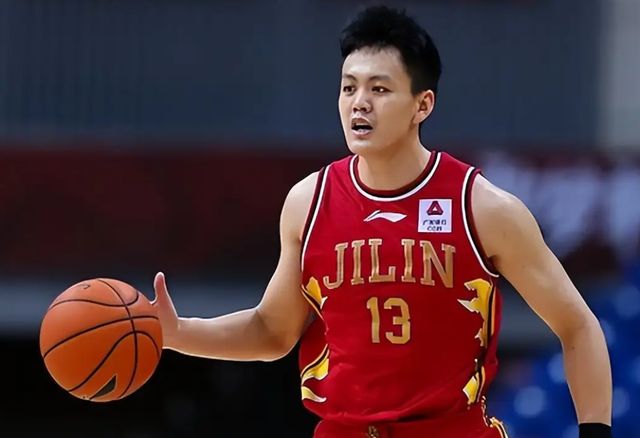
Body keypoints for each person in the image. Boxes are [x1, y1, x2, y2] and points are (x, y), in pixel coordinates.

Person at [152, 6, 612, 438]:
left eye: (379, 89)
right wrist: (177, 334)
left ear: (422, 105)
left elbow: (578, 325)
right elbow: (273, 331)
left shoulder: (483, 207)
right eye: (349, 87)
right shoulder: (308, 202)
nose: (359, 103)